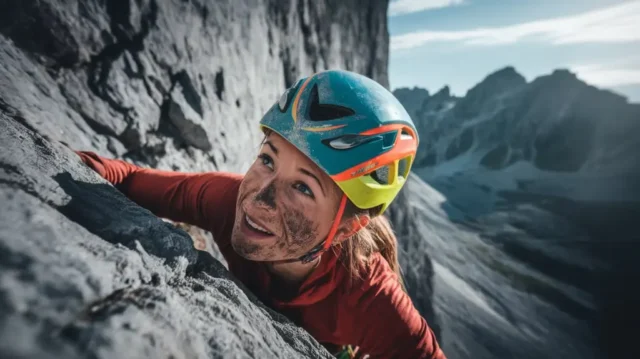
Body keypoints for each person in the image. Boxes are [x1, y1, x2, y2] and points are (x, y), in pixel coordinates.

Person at [75, 70, 446, 359]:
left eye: (303, 187)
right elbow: (130, 178)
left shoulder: (369, 298)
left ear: (348, 228)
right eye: (267, 159)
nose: (258, 200)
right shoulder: (228, 199)